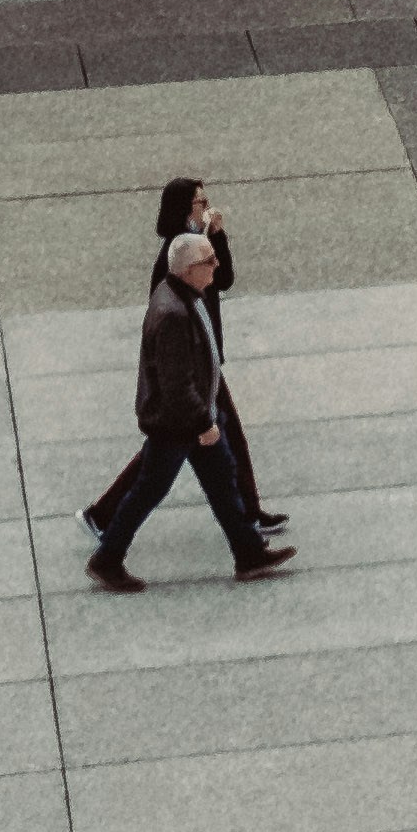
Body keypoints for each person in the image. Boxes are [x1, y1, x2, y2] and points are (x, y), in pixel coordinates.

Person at [84, 230, 291, 586]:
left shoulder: (186, 296)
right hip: (179, 426)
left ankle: (249, 554)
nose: (217, 265)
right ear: (187, 269)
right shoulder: (172, 314)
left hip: (195, 419)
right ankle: (107, 559)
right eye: (209, 260)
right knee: (147, 493)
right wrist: (203, 423)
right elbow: (176, 384)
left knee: (223, 485)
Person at [149, 172, 283, 533]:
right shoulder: (177, 254)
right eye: (201, 203)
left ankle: (247, 515)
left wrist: (218, 235)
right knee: (194, 445)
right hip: (196, 367)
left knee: (175, 448)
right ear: (184, 209)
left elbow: (223, 280)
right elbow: (166, 314)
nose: (207, 209)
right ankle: (247, 517)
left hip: (203, 361)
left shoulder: (197, 244)